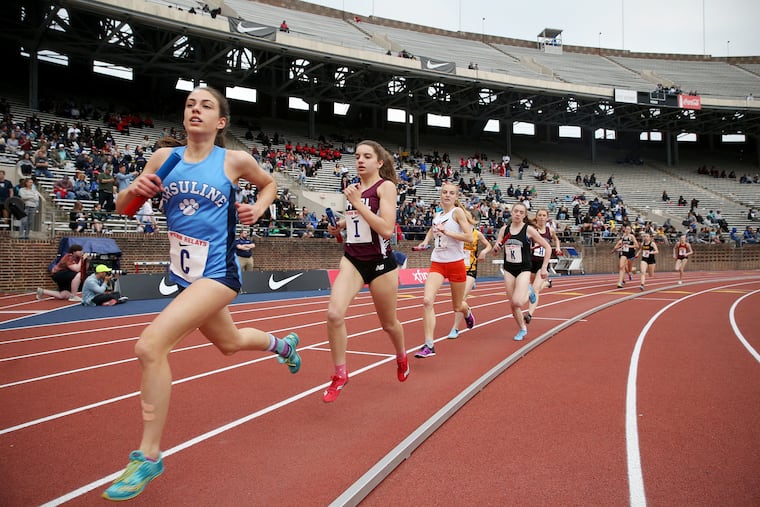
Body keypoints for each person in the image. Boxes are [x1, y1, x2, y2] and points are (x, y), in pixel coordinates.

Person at [102, 86, 301, 501]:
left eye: (206, 106)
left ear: (220, 122)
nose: (196, 110)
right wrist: (135, 188)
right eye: (190, 104)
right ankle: (282, 346)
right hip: (182, 276)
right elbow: (122, 208)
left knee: (150, 346)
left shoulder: (234, 160)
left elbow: (269, 186)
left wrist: (260, 207)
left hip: (218, 274)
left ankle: (149, 456)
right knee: (228, 344)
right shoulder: (164, 158)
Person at [322, 140, 408, 403]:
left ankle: (402, 356)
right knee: (334, 314)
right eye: (357, 155)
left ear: (379, 163)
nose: (360, 160)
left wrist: (357, 204)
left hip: (381, 264)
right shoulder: (354, 189)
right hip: (353, 259)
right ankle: (340, 374)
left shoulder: (386, 187)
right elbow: (357, 221)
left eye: (367, 156)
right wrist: (339, 224)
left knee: (388, 324)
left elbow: (385, 228)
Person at [414, 181, 476, 358]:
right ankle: (429, 345)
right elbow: (432, 230)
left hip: (456, 263)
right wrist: (426, 241)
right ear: (440, 195)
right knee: (427, 300)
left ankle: (467, 311)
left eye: (451, 193)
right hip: (438, 263)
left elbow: (469, 238)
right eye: (444, 192)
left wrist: (447, 233)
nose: (447, 195)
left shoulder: (457, 213)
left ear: (456, 197)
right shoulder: (438, 215)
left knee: (457, 306)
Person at [492, 202, 551, 341]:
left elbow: (547, 247)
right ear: (511, 213)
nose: (518, 214)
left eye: (521, 212)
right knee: (512, 303)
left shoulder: (528, 230)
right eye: (516, 211)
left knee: (518, 302)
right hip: (509, 269)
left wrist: (544, 267)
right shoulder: (504, 230)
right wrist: (496, 247)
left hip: (524, 268)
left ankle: (530, 291)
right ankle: (522, 328)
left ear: (524, 215)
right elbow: (496, 251)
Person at [446, 225, 492, 339]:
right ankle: (467, 313)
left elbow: (488, 245)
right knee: (457, 301)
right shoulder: (456, 233)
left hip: (470, 269)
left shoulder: (477, 234)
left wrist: (484, 252)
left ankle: (455, 328)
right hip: (457, 268)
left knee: (461, 298)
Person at [525, 208, 561, 324]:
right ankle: (546, 283)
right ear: (536, 217)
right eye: (539, 215)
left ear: (547, 217)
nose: (541, 217)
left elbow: (556, 239)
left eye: (543, 215)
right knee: (530, 289)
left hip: (542, 263)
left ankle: (529, 314)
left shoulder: (550, 230)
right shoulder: (531, 230)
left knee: (535, 289)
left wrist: (558, 248)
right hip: (531, 261)